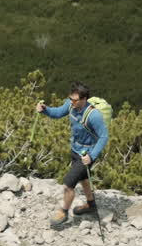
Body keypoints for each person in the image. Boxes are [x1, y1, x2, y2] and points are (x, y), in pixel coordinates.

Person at [36, 81, 109, 225]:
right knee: (82, 178)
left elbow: (104, 137)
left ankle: (63, 212)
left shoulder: (94, 116)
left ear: (84, 99)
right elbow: (57, 113)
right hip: (75, 149)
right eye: (70, 98)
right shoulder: (70, 105)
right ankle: (91, 205)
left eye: (75, 100)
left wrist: (92, 156)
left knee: (68, 184)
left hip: (86, 155)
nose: (71, 102)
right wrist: (45, 110)